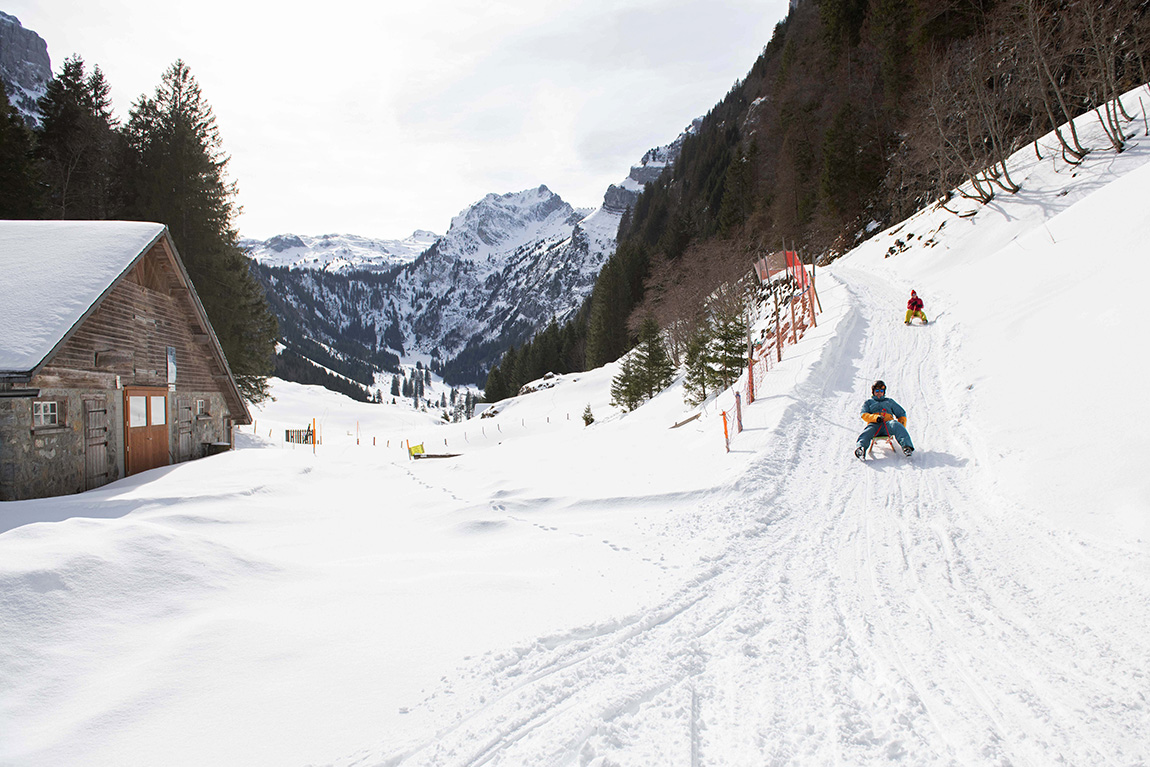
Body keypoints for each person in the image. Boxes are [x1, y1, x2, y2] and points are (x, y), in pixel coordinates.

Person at [854, 380, 914, 459]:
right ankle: (861, 449)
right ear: (873, 392)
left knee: (895, 424)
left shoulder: (889, 401)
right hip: (874, 426)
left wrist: (901, 427)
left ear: (884, 392)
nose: (879, 393)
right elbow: (864, 414)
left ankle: (907, 447)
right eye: (877, 391)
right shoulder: (869, 402)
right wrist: (876, 418)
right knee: (868, 430)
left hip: (887, 426)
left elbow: (901, 413)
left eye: (881, 391)